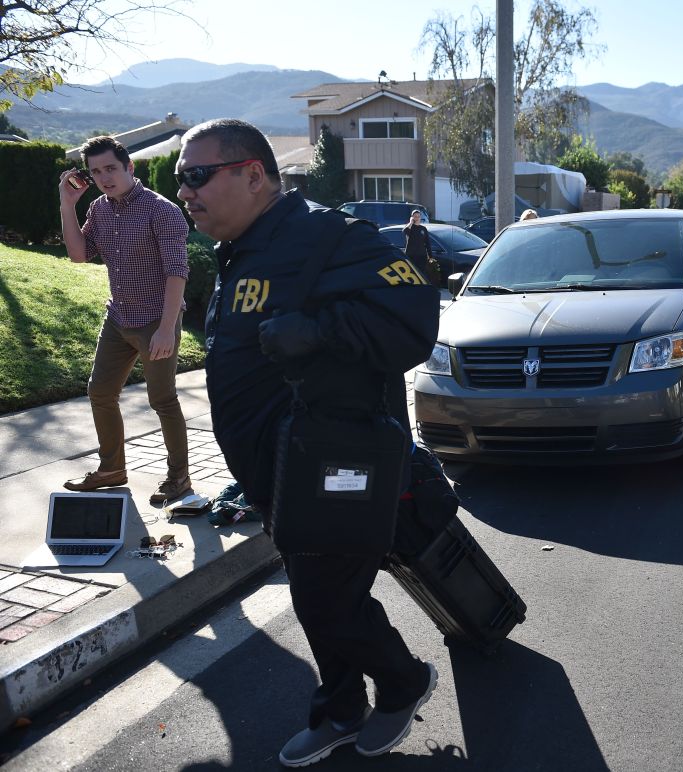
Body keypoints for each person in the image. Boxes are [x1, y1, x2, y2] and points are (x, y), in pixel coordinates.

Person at [175, 119, 441, 767]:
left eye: (196, 175)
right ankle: (343, 707)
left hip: (336, 465)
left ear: (253, 174)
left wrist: (318, 331)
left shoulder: (326, 235)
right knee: (315, 593)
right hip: (278, 473)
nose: (185, 191)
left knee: (326, 598)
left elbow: (413, 319)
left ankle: (402, 681)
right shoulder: (242, 248)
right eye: (181, 179)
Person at [57, 136, 192, 505]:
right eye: (96, 171)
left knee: (162, 400)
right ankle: (112, 469)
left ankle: (179, 478)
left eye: (111, 168)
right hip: (119, 318)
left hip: (155, 320)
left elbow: (177, 271)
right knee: (100, 392)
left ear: (129, 167)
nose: (104, 177)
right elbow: (78, 255)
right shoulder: (99, 209)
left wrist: (166, 328)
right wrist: (68, 203)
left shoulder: (161, 210)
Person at [402, 209, 440, 285]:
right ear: (412, 217)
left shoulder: (423, 229)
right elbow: (404, 231)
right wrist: (410, 222)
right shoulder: (409, 227)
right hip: (411, 255)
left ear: (420, 218)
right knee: (412, 273)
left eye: (418, 216)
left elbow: (427, 243)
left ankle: (422, 286)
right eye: (415, 216)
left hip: (422, 255)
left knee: (422, 273)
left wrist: (430, 256)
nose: (417, 218)